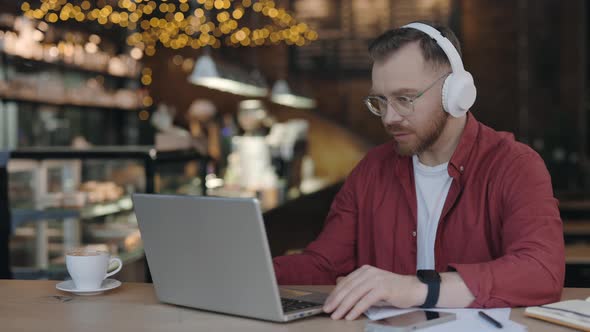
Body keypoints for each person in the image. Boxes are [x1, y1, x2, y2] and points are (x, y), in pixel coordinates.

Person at [272, 22, 564, 320]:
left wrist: (416, 288)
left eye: (405, 99)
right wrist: (250, 271)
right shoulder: (371, 170)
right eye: (380, 101)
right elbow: (323, 265)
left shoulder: (514, 165)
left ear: (455, 92)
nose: (389, 117)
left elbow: (541, 270)